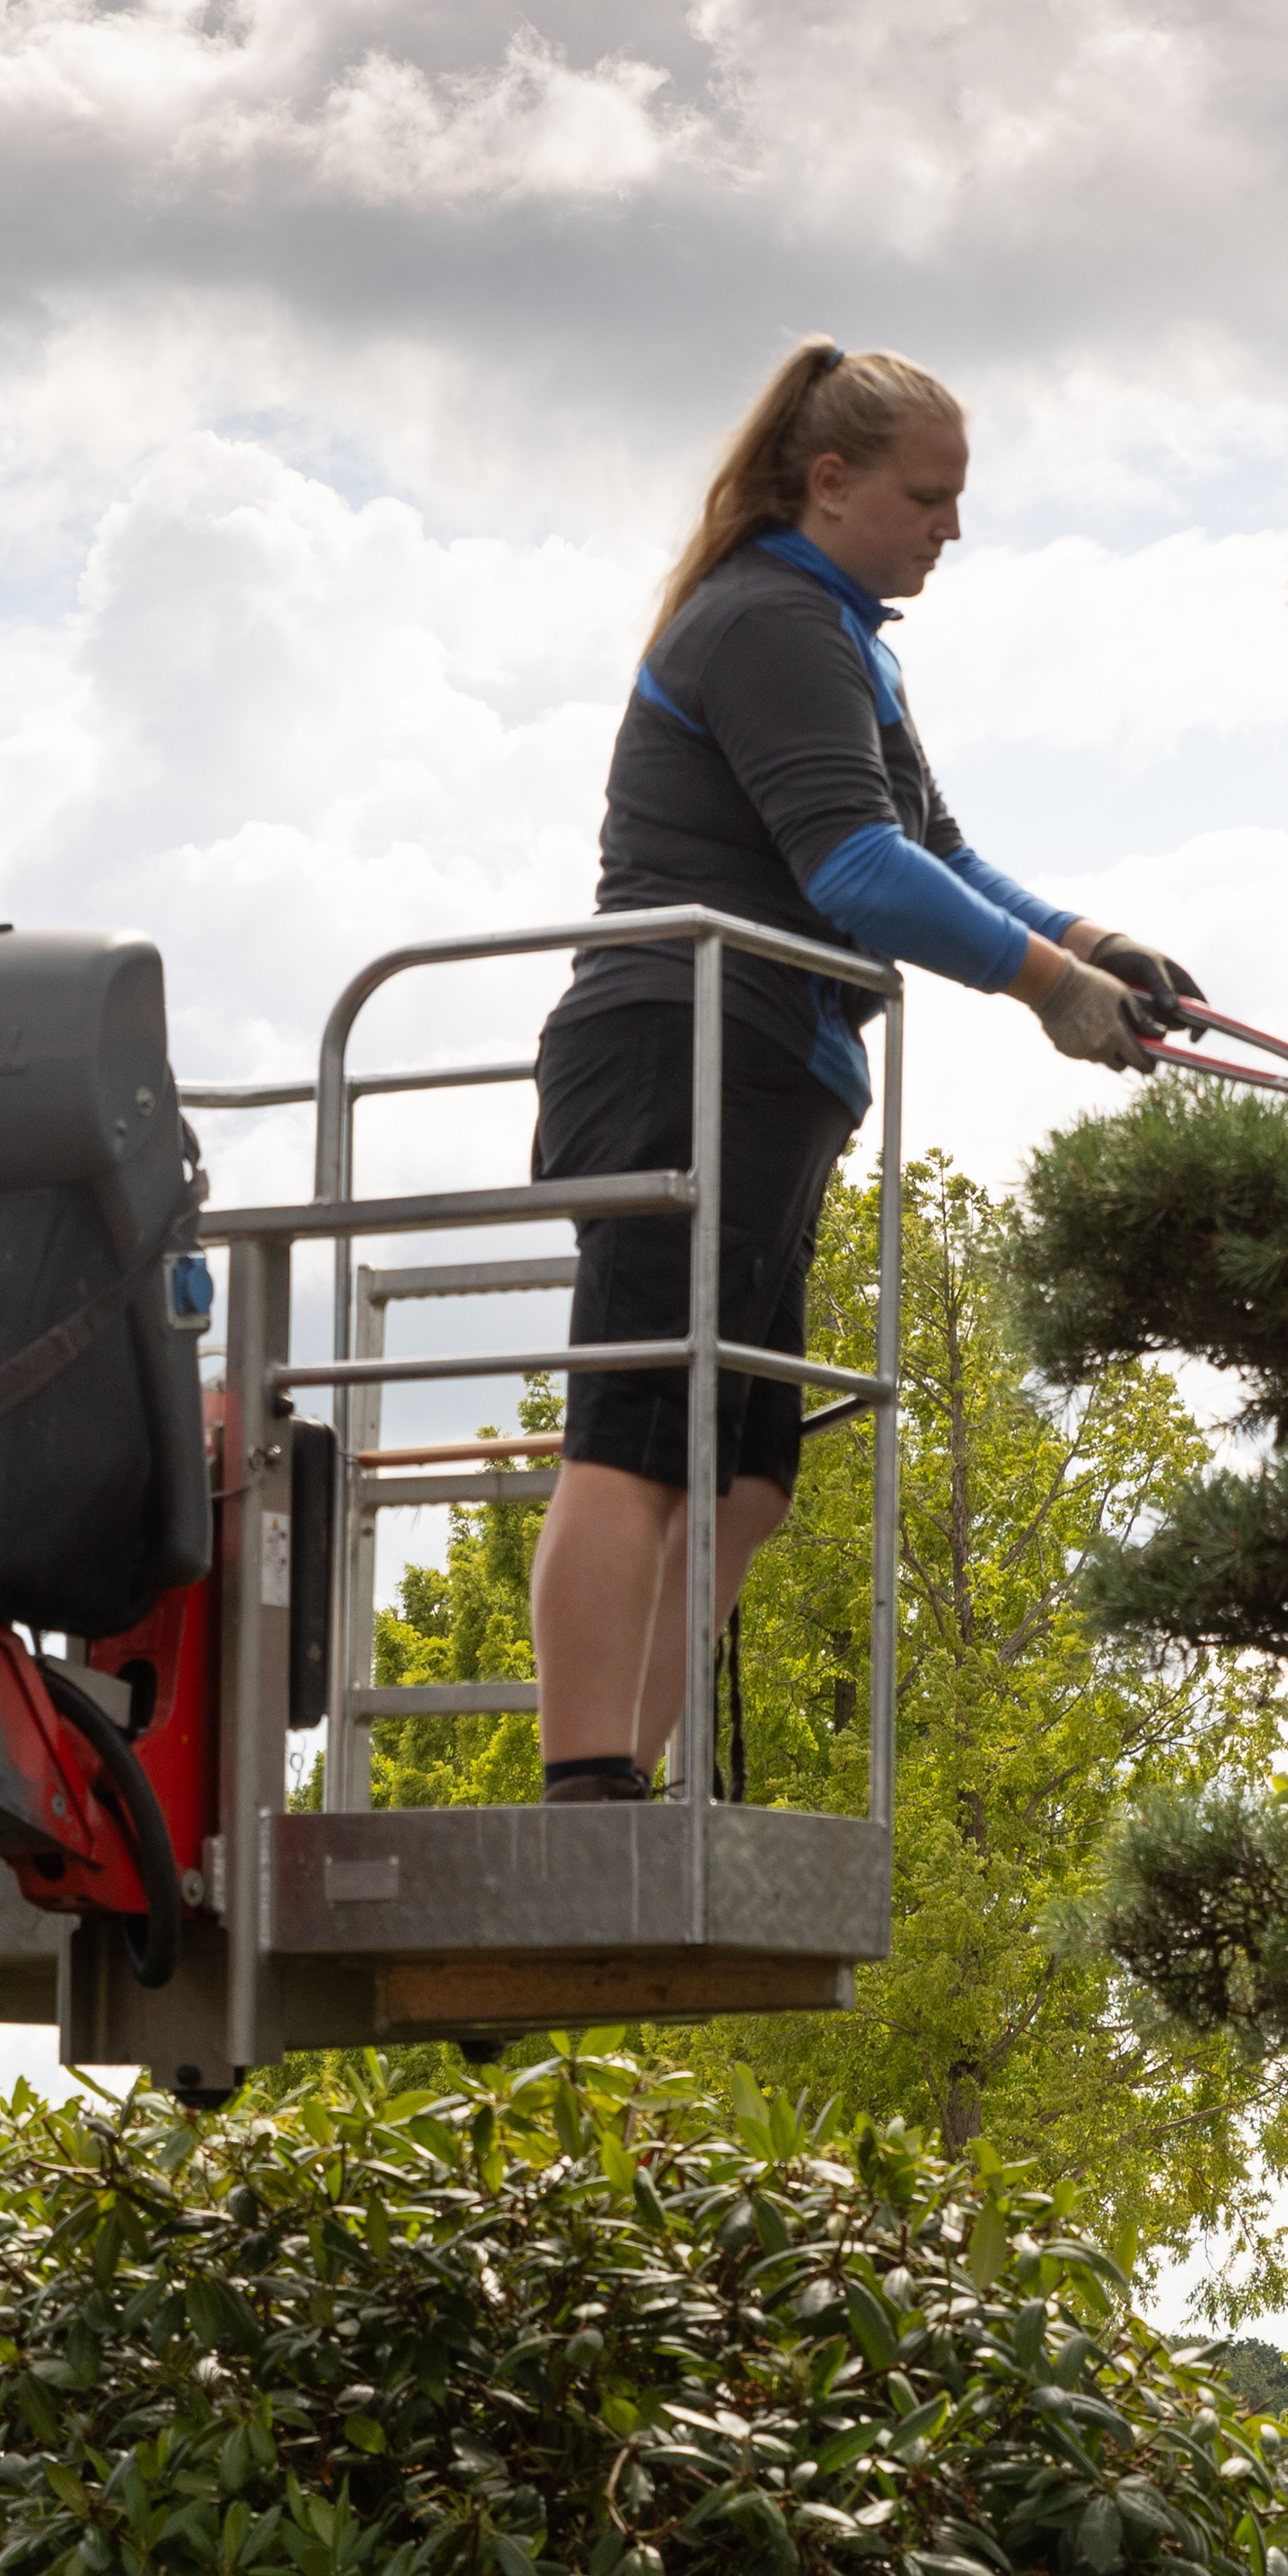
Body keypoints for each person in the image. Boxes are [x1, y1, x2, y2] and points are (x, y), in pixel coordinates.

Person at [526, 337, 1199, 1801]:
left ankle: (622, 1786)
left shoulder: (845, 639)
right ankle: (586, 1783)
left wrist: (1099, 941)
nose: (951, 529)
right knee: (642, 1429)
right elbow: (856, 868)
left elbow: (937, 850)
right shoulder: (768, 619)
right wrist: (1046, 989)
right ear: (830, 484)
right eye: (927, 497)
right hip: (680, 1044)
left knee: (749, 1471)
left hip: (773, 1059)